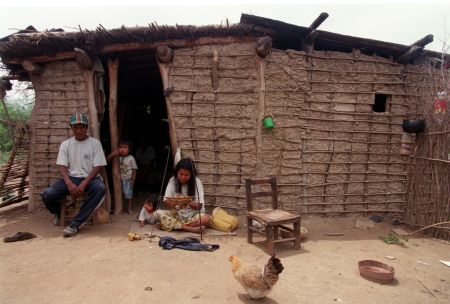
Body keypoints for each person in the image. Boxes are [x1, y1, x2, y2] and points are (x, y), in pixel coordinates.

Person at [41, 113, 106, 237]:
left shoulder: (95, 143)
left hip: (91, 179)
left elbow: (98, 166)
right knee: (47, 194)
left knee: (100, 188)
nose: (79, 130)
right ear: (71, 128)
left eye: (82, 127)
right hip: (72, 179)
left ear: (87, 128)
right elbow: (62, 166)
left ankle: (75, 224)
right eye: (75, 127)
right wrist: (69, 183)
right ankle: (58, 213)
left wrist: (84, 183)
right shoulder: (66, 144)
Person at [156, 157, 210, 233]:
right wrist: (174, 203)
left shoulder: (197, 182)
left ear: (191, 174)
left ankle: (175, 226)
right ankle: (190, 229)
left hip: (193, 215)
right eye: (181, 174)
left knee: (206, 219)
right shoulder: (173, 180)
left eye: (186, 175)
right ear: (177, 172)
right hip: (177, 214)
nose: (183, 177)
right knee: (157, 213)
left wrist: (186, 202)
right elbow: (166, 201)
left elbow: (199, 206)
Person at [107, 139, 138, 213]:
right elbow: (107, 160)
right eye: (120, 147)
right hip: (118, 180)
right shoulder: (116, 157)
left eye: (125, 148)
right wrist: (113, 154)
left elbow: (134, 170)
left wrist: (133, 180)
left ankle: (129, 208)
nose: (122, 150)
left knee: (128, 195)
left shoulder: (131, 158)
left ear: (129, 149)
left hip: (127, 180)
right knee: (118, 195)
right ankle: (117, 208)